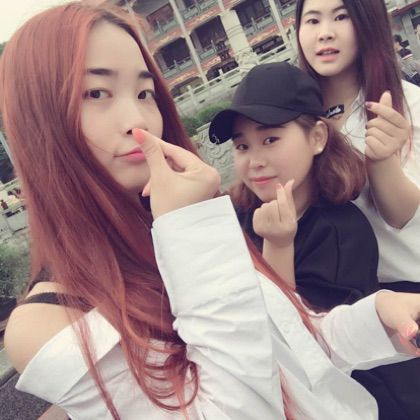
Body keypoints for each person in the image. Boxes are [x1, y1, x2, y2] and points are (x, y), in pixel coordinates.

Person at [1, 3, 420, 420]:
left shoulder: (170, 226)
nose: (137, 120)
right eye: (96, 93)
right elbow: (243, 406)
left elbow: (287, 341)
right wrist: (191, 230)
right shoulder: (47, 321)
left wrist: (377, 314)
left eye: (145, 93)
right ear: (38, 117)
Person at [295, 0, 420, 417]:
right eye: (312, 20)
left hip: (406, 290)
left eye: (340, 16)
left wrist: (381, 160)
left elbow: (400, 216)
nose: (324, 32)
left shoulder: (406, 105)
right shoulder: (294, 118)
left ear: (366, 22)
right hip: (338, 309)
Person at [208, 61, 379, 310]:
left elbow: (303, 331)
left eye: (270, 140)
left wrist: (278, 245)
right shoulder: (235, 215)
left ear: (317, 137)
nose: (255, 162)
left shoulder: (343, 238)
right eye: (242, 146)